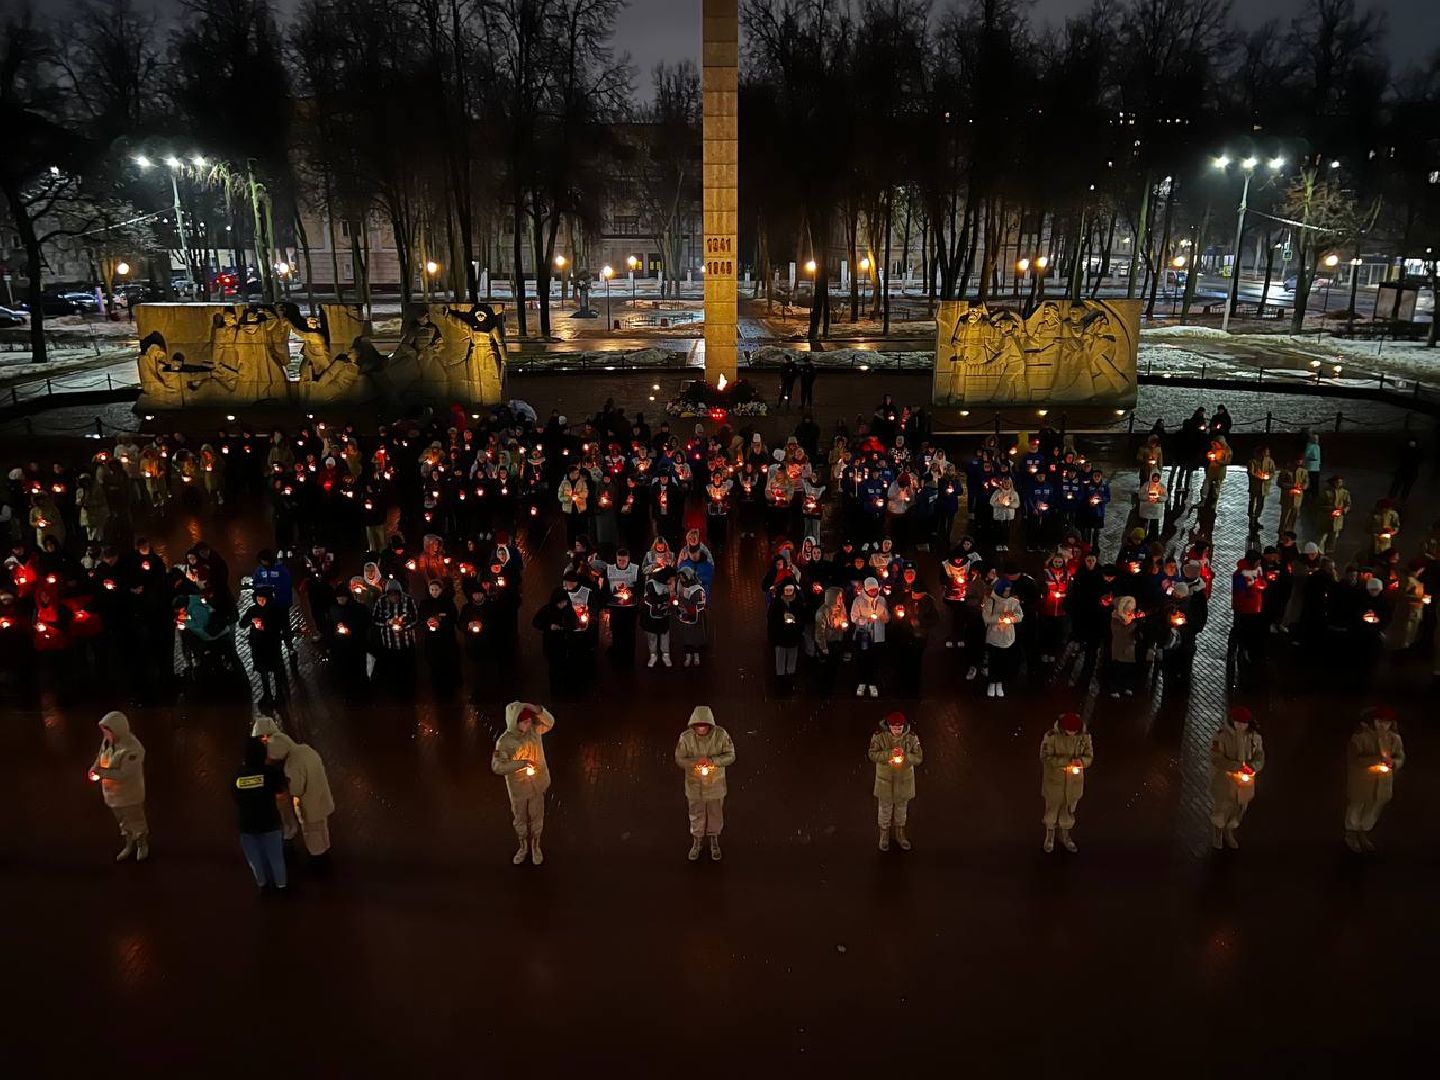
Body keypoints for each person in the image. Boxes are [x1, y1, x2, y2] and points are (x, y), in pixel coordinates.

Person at [255, 717, 336, 868]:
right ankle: (324, 857)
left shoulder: (292, 762)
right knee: (322, 832)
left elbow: (297, 789)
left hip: (310, 807)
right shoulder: (305, 749)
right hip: (321, 799)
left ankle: (319, 864)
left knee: (313, 836)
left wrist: (286, 788)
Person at [491, 701, 556, 866]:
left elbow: (550, 723)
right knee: (520, 818)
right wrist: (522, 764)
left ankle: (536, 846)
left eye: (529, 720)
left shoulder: (534, 731)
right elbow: (497, 766)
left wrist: (538, 710)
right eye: (524, 721)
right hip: (518, 789)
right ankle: (523, 846)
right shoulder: (504, 742)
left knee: (537, 816)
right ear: (515, 721)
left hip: (537, 786)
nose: (528, 724)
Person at [675, 705, 735, 862]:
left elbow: (730, 755)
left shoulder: (721, 736)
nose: (701, 728)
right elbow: (679, 759)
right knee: (696, 814)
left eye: (704, 725)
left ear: (710, 724)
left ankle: (714, 840)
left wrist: (713, 761)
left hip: (715, 785)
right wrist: (696, 763)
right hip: (695, 786)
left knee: (715, 813)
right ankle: (697, 841)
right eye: (698, 725)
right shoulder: (686, 738)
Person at [1343, 705, 1405, 852]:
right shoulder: (1360, 738)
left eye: (1387, 722)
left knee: (1373, 810)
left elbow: (1400, 756)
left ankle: (1363, 832)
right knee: (1356, 808)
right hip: (1362, 783)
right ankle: (1351, 834)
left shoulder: (1394, 739)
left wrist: (1394, 763)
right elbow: (1355, 758)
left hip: (1383, 784)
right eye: (1380, 722)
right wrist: (1377, 760)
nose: (1383, 725)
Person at [89, 710, 148, 862]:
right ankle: (129, 844)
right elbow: (101, 755)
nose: (105, 735)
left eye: (107, 731)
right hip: (113, 795)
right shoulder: (109, 741)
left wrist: (101, 773)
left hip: (130, 795)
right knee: (123, 822)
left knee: (136, 821)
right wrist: (94, 767)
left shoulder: (133, 749)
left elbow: (123, 774)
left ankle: (142, 845)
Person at [233, 735, 288, 891]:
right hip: (269, 823)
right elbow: (280, 789)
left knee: (255, 859)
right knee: (276, 857)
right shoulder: (269, 773)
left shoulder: (239, 776)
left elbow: (235, 795)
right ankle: (281, 885)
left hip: (247, 826)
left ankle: (262, 884)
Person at [1209, 706, 1264, 850]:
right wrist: (1236, 766)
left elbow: (1260, 755)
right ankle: (1217, 832)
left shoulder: (1255, 737)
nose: (1240, 726)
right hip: (1225, 782)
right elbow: (1216, 758)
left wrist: (1253, 766)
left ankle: (1229, 831)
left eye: (1244, 723)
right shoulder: (1221, 736)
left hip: (1245, 783)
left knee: (1239, 809)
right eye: (1238, 722)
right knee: (1222, 808)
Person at [867, 711, 923, 852]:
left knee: (901, 810)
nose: (897, 730)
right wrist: (889, 754)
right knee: (884, 810)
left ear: (904, 727)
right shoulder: (879, 737)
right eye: (894, 727)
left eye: (899, 728)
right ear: (888, 726)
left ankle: (900, 834)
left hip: (904, 782)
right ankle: (884, 836)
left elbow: (918, 758)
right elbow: (872, 754)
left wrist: (906, 756)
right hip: (885, 782)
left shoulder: (911, 738)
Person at [1040, 712, 1093, 853]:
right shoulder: (1051, 737)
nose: (1072, 733)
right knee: (1051, 810)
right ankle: (1049, 836)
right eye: (1069, 730)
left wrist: (1081, 762)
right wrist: (1067, 762)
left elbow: (1089, 756)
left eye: (1075, 731)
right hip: (1054, 783)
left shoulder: (1085, 737)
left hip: (1074, 783)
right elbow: (1045, 757)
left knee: (1068, 811)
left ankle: (1065, 836)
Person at [982, 577, 1023, 699]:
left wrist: (1012, 619)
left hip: (1007, 637)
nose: (1007, 593)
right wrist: (1000, 618)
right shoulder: (991, 601)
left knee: (1003, 662)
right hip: (994, 637)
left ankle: (999, 683)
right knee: (993, 661)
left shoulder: (1013, 602)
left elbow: (1020, 615)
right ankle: (991, 682)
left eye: (1009, 590)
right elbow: (987, 618)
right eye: (1005, 590)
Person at [849, 576, 889, 698]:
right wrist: (866, 620)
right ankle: (861, 683)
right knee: (862, 660)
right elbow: (853, 617)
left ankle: (873, 684)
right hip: (864, 636)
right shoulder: (858, 601)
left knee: (874, 661)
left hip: (877, 637)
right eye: (871, 590)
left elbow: (887, 618)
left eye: (875, 589)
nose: (873, 592)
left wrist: (883, 617)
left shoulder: (882, 600)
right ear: (866, 590)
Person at [1319, 475, 1350, 554]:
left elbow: (1348, 505)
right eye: (1337, 482)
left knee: (1334, 537)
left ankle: (1329, 552)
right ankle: (1320, 551)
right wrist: (1331, 508)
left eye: (1340, 482)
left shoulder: (1345, 493)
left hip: (1338, 519)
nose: (1338, 483)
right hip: (1327, 518)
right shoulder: (1326, 492)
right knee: (1323, 536)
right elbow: (1320, 505)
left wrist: (1343, 510)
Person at [1246, 445, 1275, 526]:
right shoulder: (1253, 462)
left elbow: (1272, 472)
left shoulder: (1270, 462)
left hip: (1264, 487)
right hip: (1255, 486)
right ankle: (1251, 518)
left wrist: (1268, 476)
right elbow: (1250, 472)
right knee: (1252, 502)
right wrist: (1258, 476)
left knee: (1260, 503)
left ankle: (1256, 518)